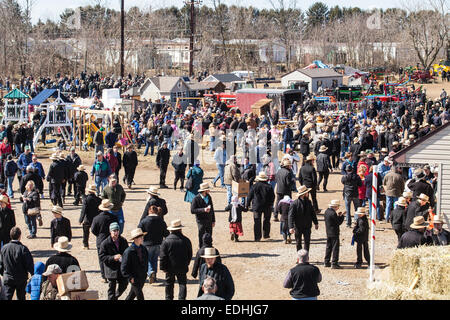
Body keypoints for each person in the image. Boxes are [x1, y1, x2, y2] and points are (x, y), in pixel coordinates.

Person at [160, 219, 193, 300]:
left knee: (169, 284)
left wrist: (163, 267)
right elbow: (190, 254)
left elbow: (163, 256)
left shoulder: (166, 241)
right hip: (182, 266)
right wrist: (186, 263)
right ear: (180, 229)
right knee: (182, 284)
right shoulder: (186, 240)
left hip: (169, 267)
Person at [0, 227, 34, 300]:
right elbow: (29, 263)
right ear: (20, 236)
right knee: (21, 297)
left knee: (6, 297)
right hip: (21, 278)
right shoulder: (23, 249)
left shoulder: (4, 248)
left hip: (8, 277)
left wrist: (3, 274)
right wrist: (32, 273)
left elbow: (1, 264)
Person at [138, 205, 169, 284]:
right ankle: (154, 276)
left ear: (149, 211)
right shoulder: (161, 221)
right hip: (158, 244)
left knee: (147, 259)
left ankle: (150, 271)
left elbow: (139, 230)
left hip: (147, 244)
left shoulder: (144, 221)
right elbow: (166, 233)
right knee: (154, 259)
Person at [99, 222, 129, 300]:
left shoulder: (123, 240)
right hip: (111, 269)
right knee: (111, 288)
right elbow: (102, 257)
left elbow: (127, 252)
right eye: (114, 231)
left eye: (117, 231)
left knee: (124, 284)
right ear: (110, 231)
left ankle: (115, 297)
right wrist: (113, 258)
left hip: (121, 268)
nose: (116, 233)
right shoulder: (105, 243)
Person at [91, 199, 119, 283]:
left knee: (101, 258)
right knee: (112, 257)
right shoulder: (114, 218)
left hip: (100, 240)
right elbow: (117, 228)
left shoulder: (96, 218)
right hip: (111, 239)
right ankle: (112, 274)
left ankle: (103, 276)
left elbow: (93, 230)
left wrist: (99, 235)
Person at [246, 172, 275, 242]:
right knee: (267, 221)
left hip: (256, 206)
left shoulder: (254, 186)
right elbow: (273, 197)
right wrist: (271, 204)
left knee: (257, 222)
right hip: (267, 206)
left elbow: (249, 196)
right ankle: (266, 234)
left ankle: (257, 237)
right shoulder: (269, 186)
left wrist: (247, 205)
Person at [121, 228, 149, 301]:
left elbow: (146, 261)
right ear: (135, 239)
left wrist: (145, 273)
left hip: (142, 277)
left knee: (132, 295)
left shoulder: (144, 249)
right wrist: (130, 277)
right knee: (140, 297)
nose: (142, 238)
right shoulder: (128, 251)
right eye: (140, 237)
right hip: (134, 278)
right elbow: (124, 267)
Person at [288, 185, 318, 252]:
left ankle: (306, 257)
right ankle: (300, 256)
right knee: (298, 242)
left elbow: (312, 213)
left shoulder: (309, 202)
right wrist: (291, 227)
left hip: (307, 226)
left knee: (307, 242)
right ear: (304, 194)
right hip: (298, 226)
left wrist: (316, 223)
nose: (308, 194)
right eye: (307, 193)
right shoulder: (294, 204)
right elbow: (290, 216)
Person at [191, 183, 215, 248]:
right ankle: (201, 248)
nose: (209, 191)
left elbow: (212, 209)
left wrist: (213, 220)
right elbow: (192, 210)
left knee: (209, 235)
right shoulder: (196, 199)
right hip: (201, 221)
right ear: (204, 191)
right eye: (208, 189)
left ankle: (209, 248)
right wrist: (203, 210)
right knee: (201, 236)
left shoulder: (209, 197)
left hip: (209, 220)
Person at [324, 200, 345, 269]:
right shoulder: (333, 214)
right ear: (335, 206)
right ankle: (334, 263)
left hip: (328, 232)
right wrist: (342, 216)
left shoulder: (327, 211)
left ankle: (326, 261)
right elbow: (338, 222)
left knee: (328, 247)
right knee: (335, 248)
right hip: (334, 232)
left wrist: (338, 216)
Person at [79, 184, 101, 250]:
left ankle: (86, 245)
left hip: (87, 218)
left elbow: (84, 210)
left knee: (86, 232)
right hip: (96, 218)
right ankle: (99, 244)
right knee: (98, 232)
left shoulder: (86, 199)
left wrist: (80, 219)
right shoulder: (99, 199)